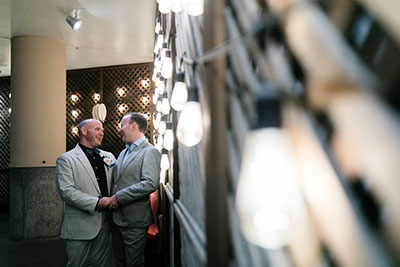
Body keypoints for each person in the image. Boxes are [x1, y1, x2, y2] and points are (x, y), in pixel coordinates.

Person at [56, 119, 116, 267]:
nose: (102, 133)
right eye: (97, 129)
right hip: (79, 226)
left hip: (105, 224)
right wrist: (97, 202)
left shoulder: (109, 156)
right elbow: (66, 191)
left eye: (102, 130)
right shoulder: (66, 159)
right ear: (83, 131)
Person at [108, 112, 161, 267]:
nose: (119, 130)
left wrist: (118, 198)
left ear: (133, 126)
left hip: (134, 220)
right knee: (119, 262)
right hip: (117, 219)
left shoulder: (150, 151)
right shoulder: (123, 152)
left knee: (134, 263)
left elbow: (150, 183)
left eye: (121, 125)